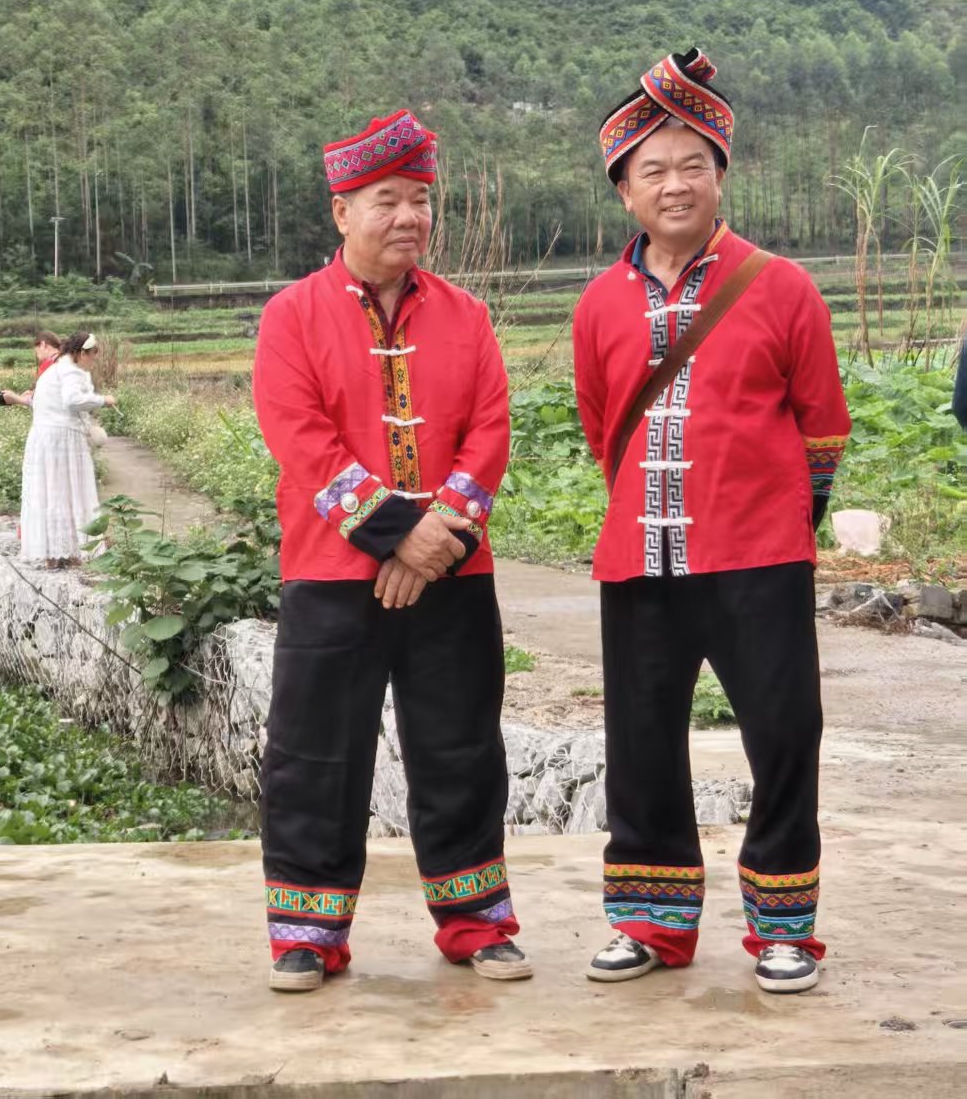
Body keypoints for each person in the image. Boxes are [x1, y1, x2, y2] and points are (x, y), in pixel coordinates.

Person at [575, 49, 852, 994]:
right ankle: (650, 922)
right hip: (639, 559)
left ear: (721, 175)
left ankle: (783, 928)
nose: (675, 183)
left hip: (759, 559)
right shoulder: (598, 304)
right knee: (642, 742)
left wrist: (776, 516)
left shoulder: (782, 287)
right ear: (625, 192)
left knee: (784, 736)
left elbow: (823, 425)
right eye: (652, 169)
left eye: (693, 163)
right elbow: (600, 424)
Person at [252, 110, 525, 993]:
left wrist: (430, 545)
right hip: (330, 574)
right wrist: (396, 532)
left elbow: (490, 431)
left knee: (461, 747)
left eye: (420, 199)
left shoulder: (469, 317)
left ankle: (477, 922)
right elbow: (300, 436)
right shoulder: (291, 317)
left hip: (454, 575)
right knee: (316, 753)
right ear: (342, 211)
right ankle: (308, 934)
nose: (408, 216)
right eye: (386, 200)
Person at [18, 330, 114, 568]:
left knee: (52, 491)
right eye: (93, 353)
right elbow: (72, 401)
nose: (95, 358)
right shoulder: (70, 371)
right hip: (61, 440)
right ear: (81, 353)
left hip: (44, 438)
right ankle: (74, 550)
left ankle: (56, 552)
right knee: (70, 491)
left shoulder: (57, 369)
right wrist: (104, 400)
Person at [0, 330, 62, 406]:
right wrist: (32, 393)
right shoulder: (65, 359)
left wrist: (17, 399)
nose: (37, 356)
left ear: (43, 345)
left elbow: (45, 398)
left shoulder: (50, 364)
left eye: (36, 352)